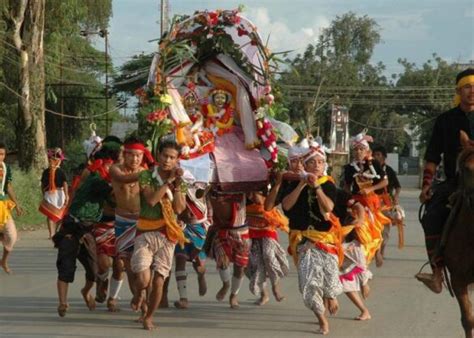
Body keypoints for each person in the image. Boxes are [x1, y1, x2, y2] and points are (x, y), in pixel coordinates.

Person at [415, 68, 474, 293]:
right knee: (431, 216)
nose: (472, 91)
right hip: (454, 183)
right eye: (467, 86)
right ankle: (437, 273)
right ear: (459, 91)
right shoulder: (445, 120)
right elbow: (432, 157)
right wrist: (427, 186)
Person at [281, 139, 343, 335]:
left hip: (326, 241)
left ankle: (331, 295)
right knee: (308, 284)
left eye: (320, 162)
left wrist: (316, 187)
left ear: (324, 165)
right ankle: (321, 319)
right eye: (312, 163)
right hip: (303, 242)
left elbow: (329, 208)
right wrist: (301, 184)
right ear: (304, 165)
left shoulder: (328, 185)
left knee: (330, 282)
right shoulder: (294, 184)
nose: (316, 166)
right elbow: (286, 207)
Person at [54, 146, 119, 317]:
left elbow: (112, 202)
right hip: (72, 226)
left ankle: (86, 292)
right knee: (66, 265)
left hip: (89, 229)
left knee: (93, 269)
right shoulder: (97, 181)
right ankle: (63, 303)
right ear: (107, 166)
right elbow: (116, 200)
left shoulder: (96, 178)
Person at [130, 140, 187, 330]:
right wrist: (168, 182)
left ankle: (149, 316)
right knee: (144, 280)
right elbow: (152, 200)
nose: (167, 160)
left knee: (159, 279)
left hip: (167, 234)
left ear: (177, 160)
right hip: (145, 232)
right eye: (165, 156)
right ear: (158, 155)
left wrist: (177, 186)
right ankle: (139, 294)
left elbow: (179, 208)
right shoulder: (146, 175)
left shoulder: (181, 180)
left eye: (172, 157)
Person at [104, 136, 151, 312]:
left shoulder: (145, 172)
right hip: (123, 222)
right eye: (131, 155)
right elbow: (123, 180)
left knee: (141, 265)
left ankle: (142, 299)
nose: (135, 159)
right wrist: (151, 172)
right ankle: (139, 297)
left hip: (142, 222)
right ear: (125, 154)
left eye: (139, 155)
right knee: (128, 265)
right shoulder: (115, 169)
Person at [343, 131, 389, 265]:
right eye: (356, 149)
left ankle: (377, 251)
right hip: (357, 201)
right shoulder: (349, 168)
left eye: (361, 149)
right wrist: (347, 200)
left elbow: (385, 182)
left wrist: (371, 189)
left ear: (367, 150)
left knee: (376, 227)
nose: (358, 152)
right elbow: (347, 186)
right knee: (353, 225)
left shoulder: (374, 164)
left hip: (372, 201)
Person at [246, 190, 289, 305]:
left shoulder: (269, 187)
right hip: (250, 231)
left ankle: (275, 287)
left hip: (267, 230)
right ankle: (264, 294)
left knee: (269, 255)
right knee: (255, 262)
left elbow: (262, 201)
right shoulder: (243, 192)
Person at [172, 181, 211, 309]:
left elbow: (201, 195)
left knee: (198, 265)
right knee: (180, 259)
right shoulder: (176, 182)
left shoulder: (202, 180)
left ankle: (201, 275)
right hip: (182, 227)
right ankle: (183, 298)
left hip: (199, 228)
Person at [208, 190, 249, 309]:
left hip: (241, 230)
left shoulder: (241, 186)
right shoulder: (213, 187)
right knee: (222, 260)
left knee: (240, 266)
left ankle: (233, 295)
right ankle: (226, 284)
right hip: (221, 229)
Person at [372, 145, 402, 266]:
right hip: (371, 204)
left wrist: (396, 196)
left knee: (385, 231)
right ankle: (376, 251)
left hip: (385, 204)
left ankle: (381, 250)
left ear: (384, 157)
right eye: (374, 154)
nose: (376, 157)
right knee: (373, 229)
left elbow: (398, 186)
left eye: (379, 155)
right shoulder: (368, 169)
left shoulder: (389, 170)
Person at [0, 143, 24, 274]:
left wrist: (17, 205)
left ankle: (3, 261)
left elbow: (8, 187)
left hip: (3, 207)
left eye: (2, 154)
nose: (0, 157)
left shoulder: (6, 168)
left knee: (12, 236)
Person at [39, 148, 69, 239]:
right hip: (51, 194)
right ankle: (52, 233)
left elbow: (64, 183)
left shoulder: (60, 171)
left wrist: (66, 195)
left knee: (59, 214)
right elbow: (43, 184)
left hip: (59, 193)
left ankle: (54, 232)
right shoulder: (46, 172)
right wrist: (44, 193)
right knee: (50, 214)